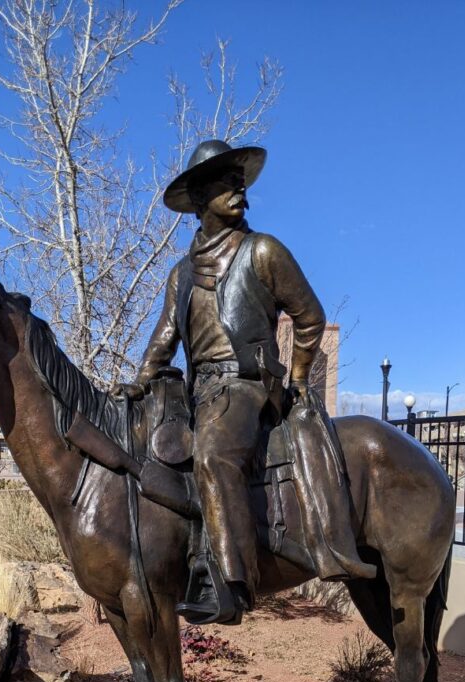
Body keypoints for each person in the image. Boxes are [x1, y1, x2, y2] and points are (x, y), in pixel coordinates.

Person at [117, 139, 375, 624]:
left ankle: (231, 583)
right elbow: (163, 340)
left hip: (246, 387)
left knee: (214, 453)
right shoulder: (180, 275)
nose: (238, 189)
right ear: (197, 200)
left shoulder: (263, 251)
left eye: (240, 180)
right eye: (224, 181)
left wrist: (297, 377)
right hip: (198, 393)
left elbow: (311, 318)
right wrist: (140, 381)